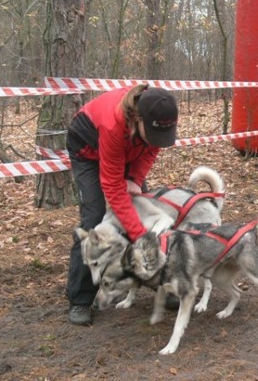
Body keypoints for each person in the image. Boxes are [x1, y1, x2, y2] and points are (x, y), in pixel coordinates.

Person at [66, 84, 178, 325]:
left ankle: (161, 285)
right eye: (153, 134)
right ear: (138, 119)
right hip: (88, 150)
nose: (158, 140)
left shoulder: (157, 114)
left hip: (128, 148)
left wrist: (135, 180)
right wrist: (140, 236)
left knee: (143, 213)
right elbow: (114, 189)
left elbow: (151, 150)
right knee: (94, 219)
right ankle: (80, 298)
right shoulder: (112, 125)